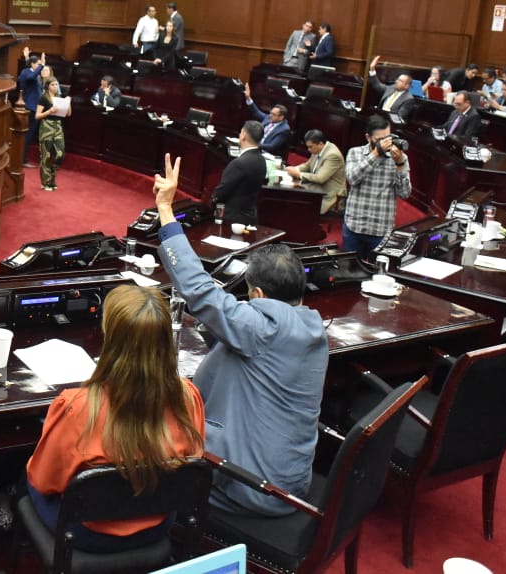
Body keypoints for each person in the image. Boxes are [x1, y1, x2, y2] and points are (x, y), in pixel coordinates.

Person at [152, 153, 327, 516]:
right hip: (293, 481)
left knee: (146, 453)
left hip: (252, 488)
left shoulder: (262, 327)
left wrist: (166, 210)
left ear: (259, 296)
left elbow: (197, 290)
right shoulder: (313, 327)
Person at [25, 285, 204, 550]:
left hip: (88, 534)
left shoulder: (79, 407)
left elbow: (43, 480)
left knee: (21, 476)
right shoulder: (188, 398)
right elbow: (193, 462)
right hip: (158, 525)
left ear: (110, 336)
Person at [343, 114, 411, 260]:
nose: (386, 143)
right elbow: (352, 178)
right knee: (348, 270)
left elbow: (405, 193)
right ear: (368, 138)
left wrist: (400, 165)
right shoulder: (355, 153)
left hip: (381, 230)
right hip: (355, 226)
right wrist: (375, 154)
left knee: (376, 273)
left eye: (388, 137)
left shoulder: (400, 157)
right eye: (380, 140)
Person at [213, 120, 266, 225]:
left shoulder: (239, 163)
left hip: (232, 219)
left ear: (244, 136)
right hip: (250, 217)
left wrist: (211, 203)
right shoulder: (262, 160)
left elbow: (222, 192)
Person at [286, 129, 346, 215]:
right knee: (291, 195)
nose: (308, 149)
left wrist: (298, 174)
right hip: (316, 188)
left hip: (328, 195)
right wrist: (294, 169)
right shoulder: (318, 149)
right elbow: (307, 165)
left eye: (310, 147)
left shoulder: (333, 155)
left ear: (321, 144)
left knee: (296, 202)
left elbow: (320, 178)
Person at [36, 77, 70, 191]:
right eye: (53, 85)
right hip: (46, 126)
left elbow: (68, 114)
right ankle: (46, 182)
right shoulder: (43, 98)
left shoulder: (59, 98)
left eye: (56, 85)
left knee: (60, 154)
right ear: (48, 86)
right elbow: (37, 116)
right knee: (47, 155)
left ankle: (52, 178)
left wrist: (68, 103)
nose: (55, 87)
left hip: (58, 127)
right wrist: (49, 111)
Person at [243, 83, 291, 159]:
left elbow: (272, 147)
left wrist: (253, 144)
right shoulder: (269, 117)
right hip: (257, 149)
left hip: (268, 155)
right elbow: (256, 112)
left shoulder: (284, 130)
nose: (270, 115)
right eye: (271, 113)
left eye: (273, 114)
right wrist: (248, 98)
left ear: (281, 117)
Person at [18, 46, 47, 167]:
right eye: (38, 65)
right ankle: (23, 160)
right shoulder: (27, 74)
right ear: (33, 65)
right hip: (31, 107)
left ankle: (23, 158)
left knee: (28, 134)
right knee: (28, 135)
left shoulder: (27, 72)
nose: (40, 68)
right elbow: (30, 76)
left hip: (33, 106)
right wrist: (42, 65)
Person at [368, 55, 416, 121]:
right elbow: (377, 85)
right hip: (378, 118)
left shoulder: (408, 99)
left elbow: (399, 117)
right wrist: (372, 69)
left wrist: (385, 116)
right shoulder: (391, 88)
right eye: (398, 79)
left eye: (400, 81)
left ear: (406, 86)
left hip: (389, 123)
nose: (396, 81)